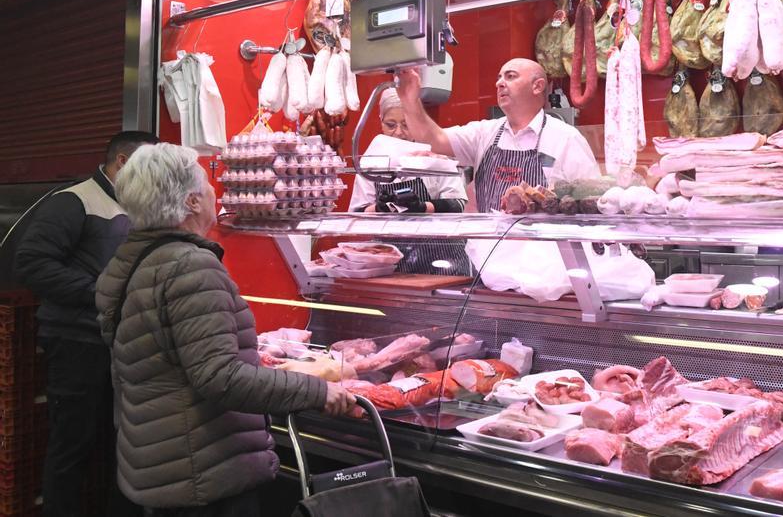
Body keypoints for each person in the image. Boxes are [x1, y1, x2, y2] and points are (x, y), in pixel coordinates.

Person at [94, 143, 357, 516]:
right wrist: (317, 390)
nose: (213, 191)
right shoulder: (189, 266)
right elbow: (221, 378)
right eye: (205, 183)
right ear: (191, 202)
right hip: (202, 473)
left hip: (156, 458)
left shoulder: (129, 260)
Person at [14, 130, 159, 517]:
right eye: (149, 164)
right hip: (78, 342)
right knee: (72, 446)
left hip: (123, 346)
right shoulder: (74, 201)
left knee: (121, 447)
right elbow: (31, 263)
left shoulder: (138, 207)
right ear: (123, 163)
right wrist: (101, 291)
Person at [395, 57, 600, 212]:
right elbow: (432, 140)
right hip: (487, 258)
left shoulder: (566, 138)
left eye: (510, 76)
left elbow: (591, 202)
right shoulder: (485, 133)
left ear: (537, 86)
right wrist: (409, 99)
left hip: (543, 262)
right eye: (499, 78)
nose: (499, 83)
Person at [348, 87, 467, 214]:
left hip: (427, 232)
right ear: (381, 121)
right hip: (386, 233)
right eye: (391, 125)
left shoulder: (435, 155)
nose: (399, 133)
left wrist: (422, 207)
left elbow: (457, 205)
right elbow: (357, 212)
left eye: (406, 125)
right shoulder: (371, 162)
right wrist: (379, 208)